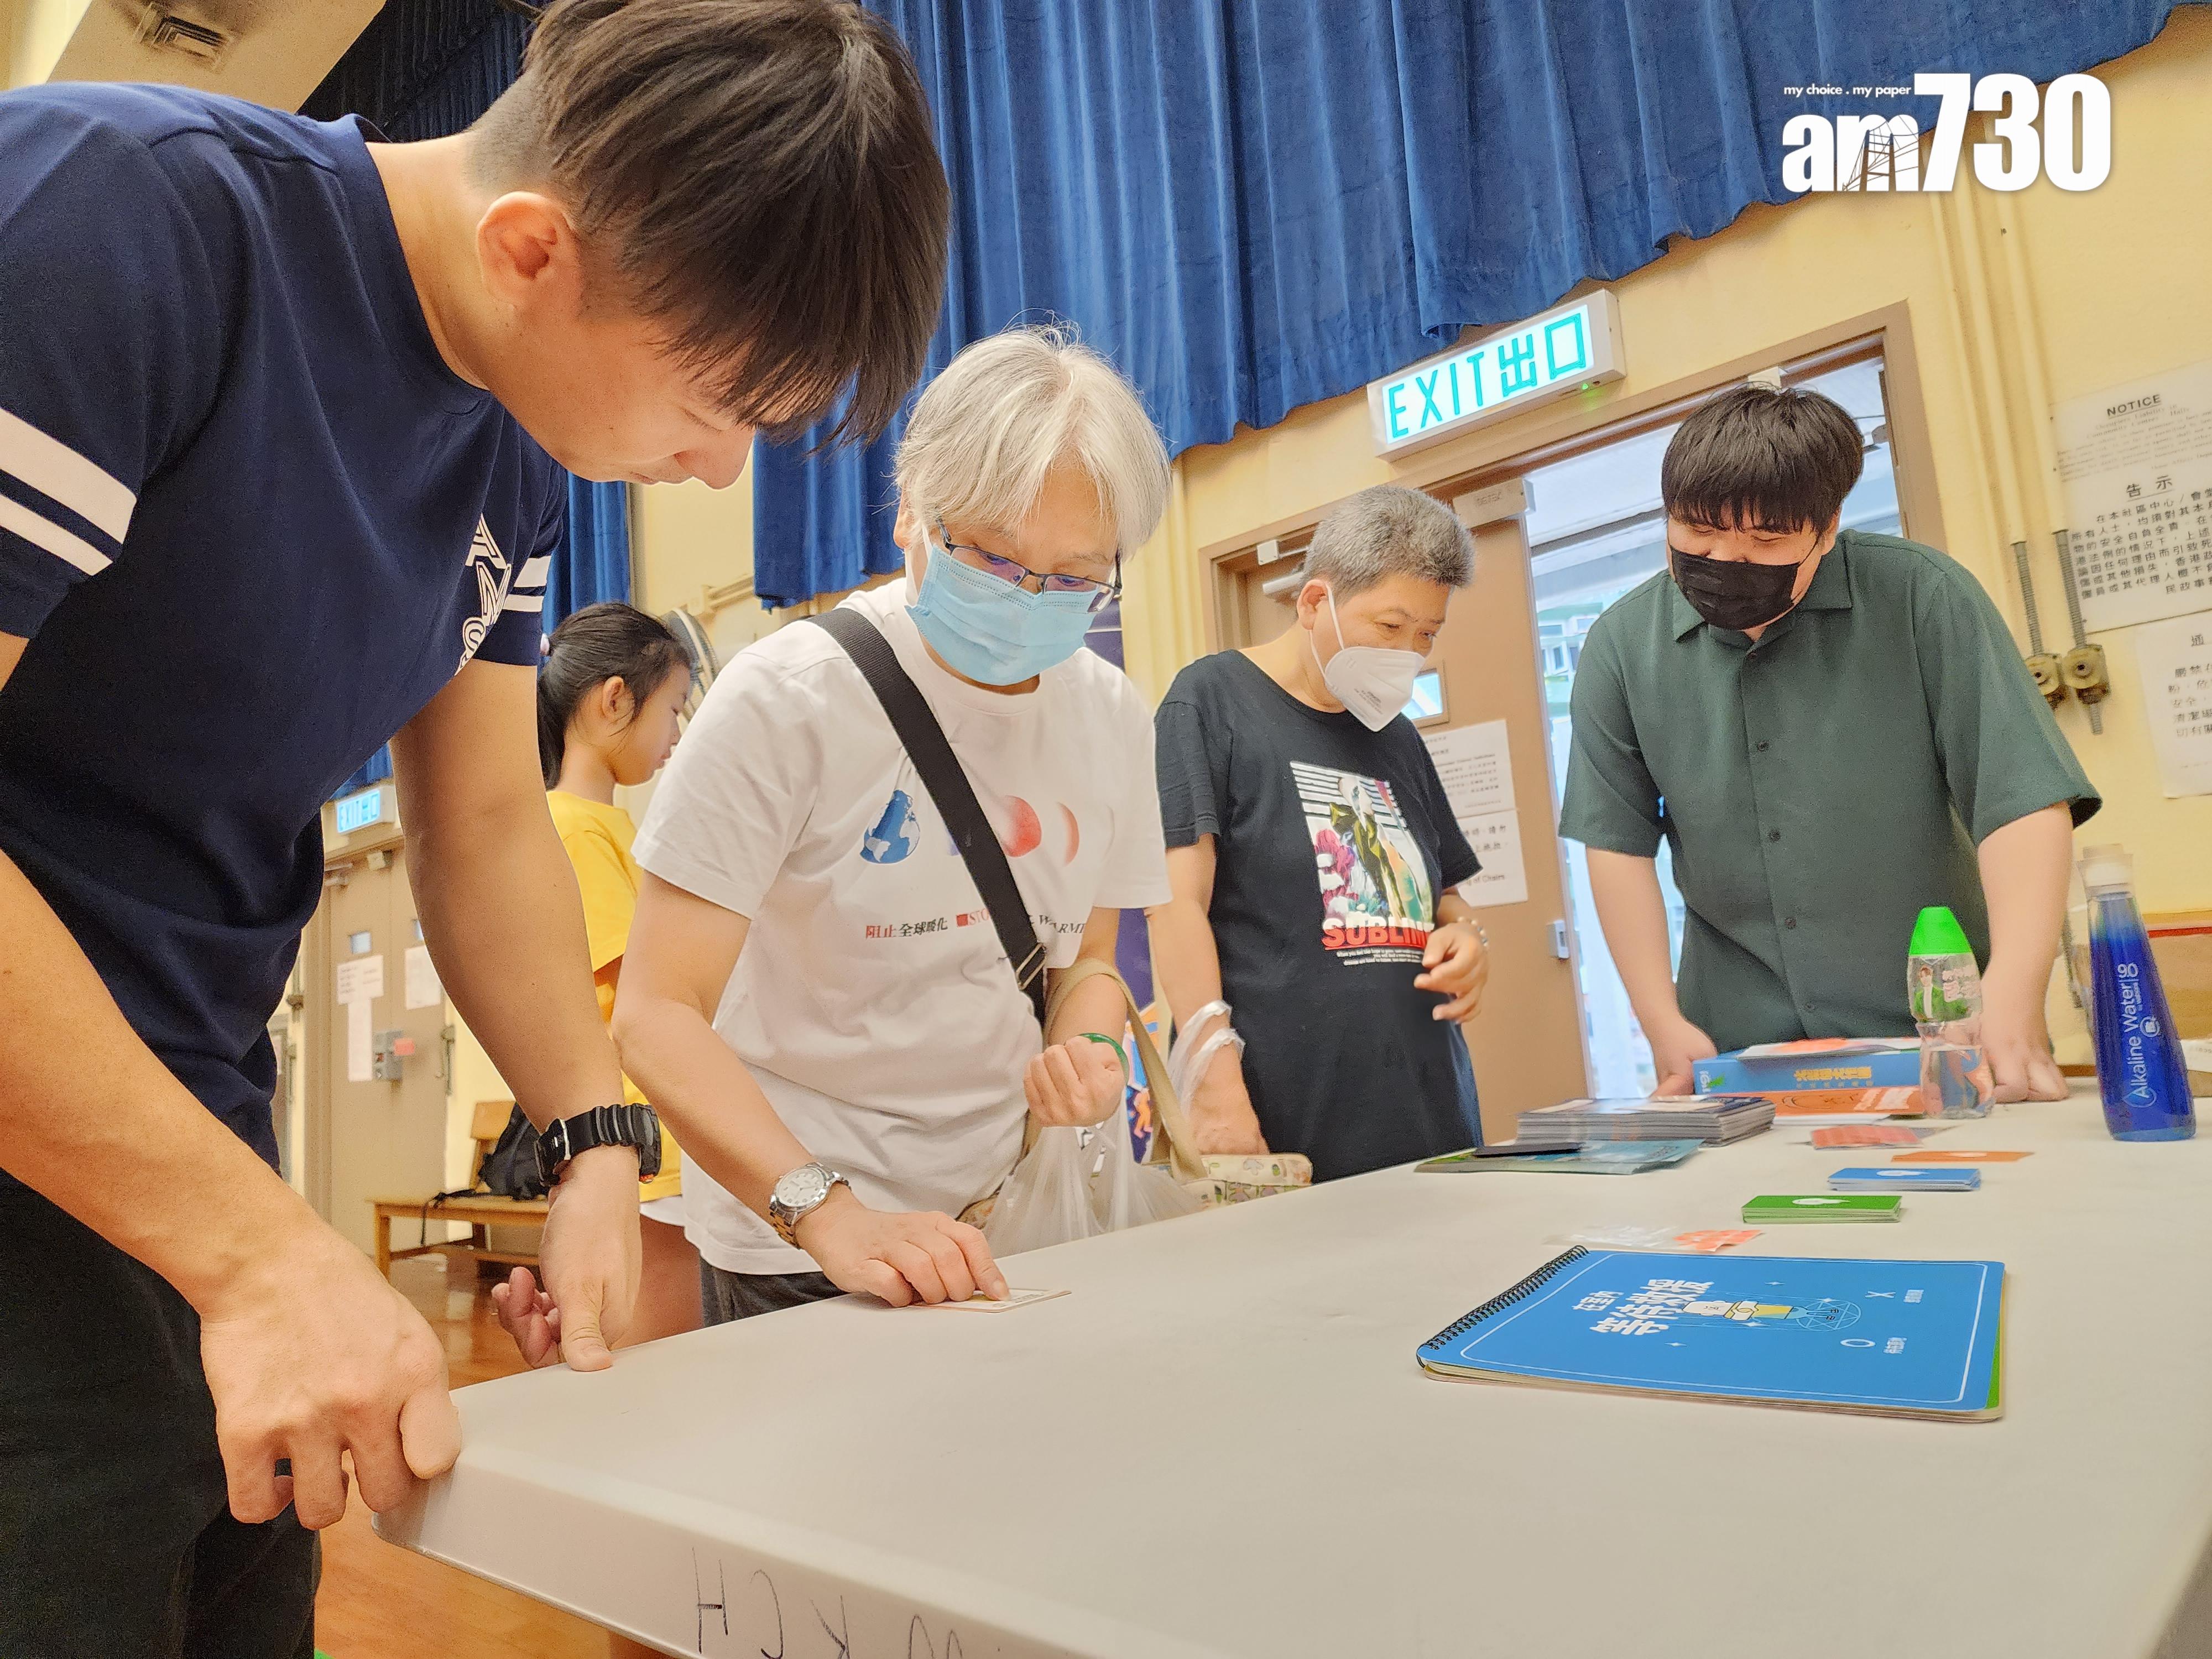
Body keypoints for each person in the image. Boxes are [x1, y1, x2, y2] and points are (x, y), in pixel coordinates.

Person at [0, 0, 948, 1651]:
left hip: (197, 1102)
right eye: (715, 405)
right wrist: (255, 1255)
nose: (716, 473)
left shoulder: (510, 447)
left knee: (232, 1589)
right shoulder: (121, 223)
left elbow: (482, 821)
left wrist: (591, 1135)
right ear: (532, 250)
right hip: (46, 1123)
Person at [585, 325, 1172, 1323]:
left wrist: (1088, 1049)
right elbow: (656, 1013)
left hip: (1003, 1214)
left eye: (1072, 578)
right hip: (797, 1237)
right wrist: (832, 1215)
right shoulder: (788, 701)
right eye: (990, 557)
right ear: (911, 512)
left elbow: (1091, 961)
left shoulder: (1110, 715)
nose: (1028, 600)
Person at [1558, 383, 2099, 1099]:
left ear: (1828, 525)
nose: (1725, 558)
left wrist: (2016, 988)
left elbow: (2022, 801)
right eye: (1697, 530)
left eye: (1765, 541)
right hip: (1735, 1053)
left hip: (1939, 1039)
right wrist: (1660, 1020)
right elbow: (1617, 846)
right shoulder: (1622, 647)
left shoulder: (1922, 597)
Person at [1146, 484, 1491, 1182]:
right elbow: (1174, 904)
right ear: (1313, 603)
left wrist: (1467, 937)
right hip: (1285, 1118)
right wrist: (1213, 1084)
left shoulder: (1396, 738)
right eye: (1391, 628)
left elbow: (1441, 897)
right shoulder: (1209, 703)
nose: (1409, 653)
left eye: (1427, 634)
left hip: (1429, 1112)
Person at [538, 602, 702, 1345]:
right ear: (614, 700)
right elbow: (635, 984)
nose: (674, 736)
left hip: (658, 1125)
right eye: (671, 710)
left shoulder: (611, 827)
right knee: (647, 1353)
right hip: (644, 1135)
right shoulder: (573, 826)